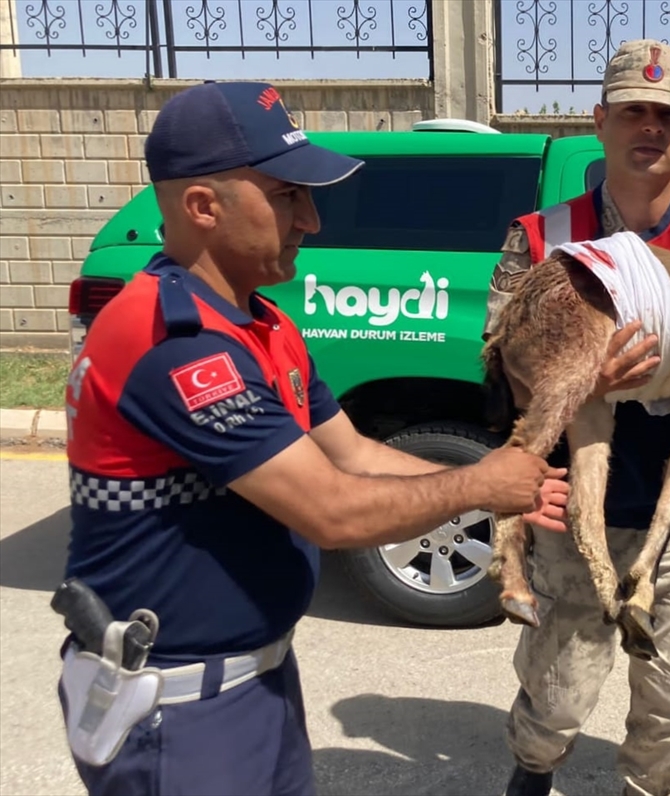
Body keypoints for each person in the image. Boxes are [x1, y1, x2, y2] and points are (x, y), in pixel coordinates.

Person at [58, 80, 569, 796]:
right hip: (176, 709)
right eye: (287, 195)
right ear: (203, 207)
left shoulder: (262, 324)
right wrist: (482, 484)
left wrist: (508, 496)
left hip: (254, 683)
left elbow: (356, 455)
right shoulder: (177, 344)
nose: (314, 219)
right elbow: (330, 511)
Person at [483, 40, 670, 796]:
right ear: (601, 121)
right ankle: (531, 777)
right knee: (554, 701)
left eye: (667, 116)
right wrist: (578, 379)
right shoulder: (542, 237)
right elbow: (495, 373)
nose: (649, 128)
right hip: (570, 515)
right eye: (633, 113)